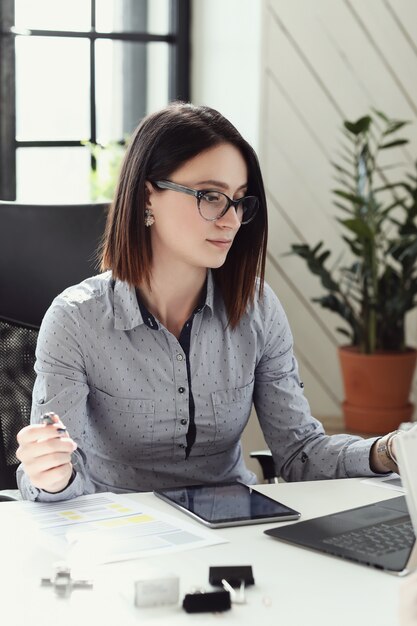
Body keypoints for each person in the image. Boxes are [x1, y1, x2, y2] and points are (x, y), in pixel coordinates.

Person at [16, 102, 401, 502]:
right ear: (149, 196)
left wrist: (390, 450)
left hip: (234, 529)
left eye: (238, 200)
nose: (231, 220)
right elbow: (54, 486)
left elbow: (301, 453)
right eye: (210, 196)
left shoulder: (258, 308)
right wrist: (51, 476)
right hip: (120, 535)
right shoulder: (76, 321)